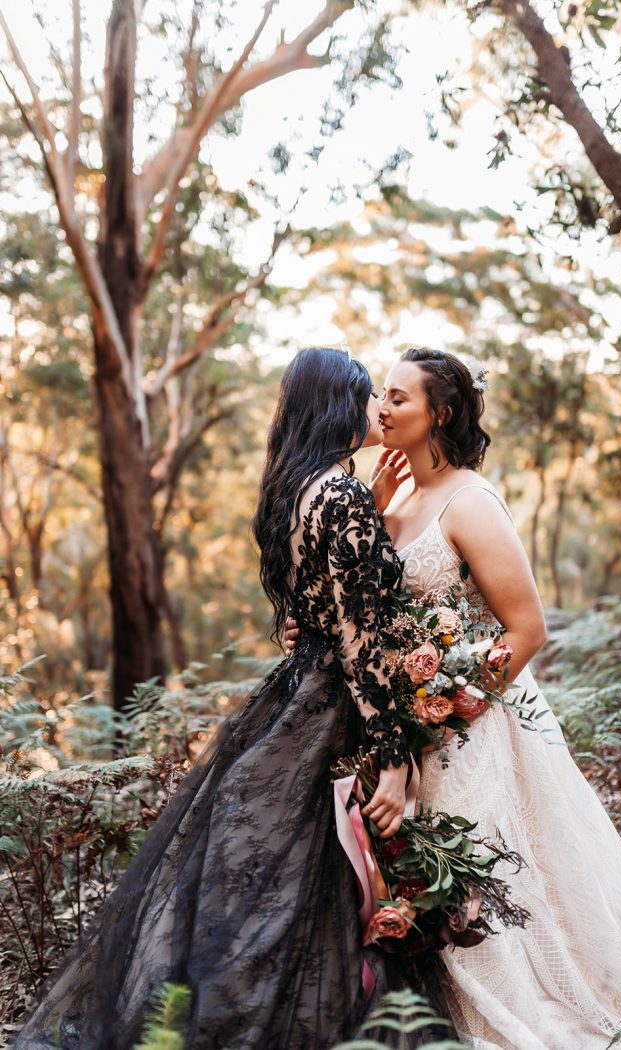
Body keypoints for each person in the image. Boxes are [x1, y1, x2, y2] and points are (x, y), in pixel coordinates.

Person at [287, 346, 621, 1050]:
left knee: (488, 879)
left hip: (470, 729)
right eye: (381, 395)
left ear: (439, 413)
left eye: (398, 398)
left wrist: (450, 705)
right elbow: (366, 605)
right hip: (402, 726)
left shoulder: (470, 501)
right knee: (426, 881)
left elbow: (526, 629)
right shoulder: (392, 497)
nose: (381, 408)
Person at [14, 347, 414, 1050]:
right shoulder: (343, 496)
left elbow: (311, 610)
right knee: (306, 867)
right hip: (330, 702)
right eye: (365, 396)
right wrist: (394, 751)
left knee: (288, 869)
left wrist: (372, 510)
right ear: (338, 407)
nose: (374, 408)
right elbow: (359, 639)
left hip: (293, 690)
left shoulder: (296, 490)